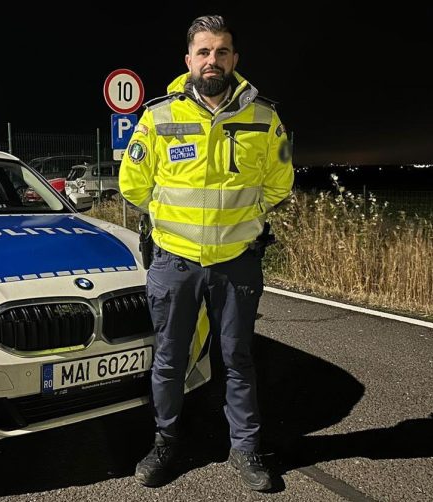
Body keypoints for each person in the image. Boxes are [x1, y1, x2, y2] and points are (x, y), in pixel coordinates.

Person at [119, 14, 295, 491]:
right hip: (174, 262)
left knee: (237, 358)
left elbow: (281, 182)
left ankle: (246, 449)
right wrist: (167, 217)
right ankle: (166, 442)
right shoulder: (158, 116)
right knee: (170, 360)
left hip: (237, 260)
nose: (212, 60)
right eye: (203, 52)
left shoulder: (264, 117)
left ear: (234, 59)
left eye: (221, 52)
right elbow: (133, 184)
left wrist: (245, 217)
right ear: (188, 60)